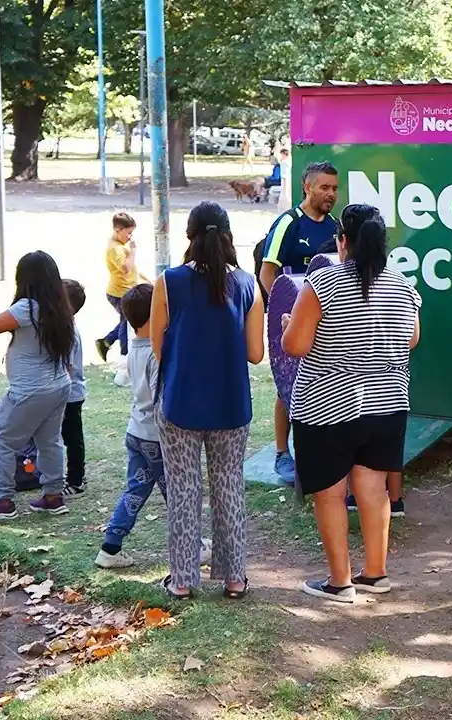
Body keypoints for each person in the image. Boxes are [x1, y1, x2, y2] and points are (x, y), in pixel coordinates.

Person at [282, 204, 422, 603]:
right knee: (373, 490)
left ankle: (339, 581)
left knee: (329, 493)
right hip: (388, 404)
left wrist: (288, 325)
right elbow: (411, 339)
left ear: (343, 241)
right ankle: (375, 573)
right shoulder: (403, 285)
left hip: (327, 406)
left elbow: (295, 345)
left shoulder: (322, 283)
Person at [151, 202, 264, 600]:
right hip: (231, 404)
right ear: (229, 235)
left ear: (189, 236)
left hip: (180, 402)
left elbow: (158, 346)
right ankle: (235, 578)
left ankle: (182, 580)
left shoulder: (169, 281)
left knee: (183, 489)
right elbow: (255, 353)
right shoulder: (248, 283)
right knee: (228, 485)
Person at [94, 283, 213, 569]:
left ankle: (110, 548)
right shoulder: (156, 352)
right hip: (157, 437)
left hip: (136, 432)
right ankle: (194, 547)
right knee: (178, 493)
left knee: (135, 490)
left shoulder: (135, 348)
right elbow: (164, 397)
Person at [0, 251, 76, 520]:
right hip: (58, 384)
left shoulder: (26, 308)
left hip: (30, 390)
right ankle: (53, 495)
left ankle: (1, 499)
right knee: (50, 441)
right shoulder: (59, 307)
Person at [257, 161, 340, 482]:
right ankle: (282, 453)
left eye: (334, 188)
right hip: (289, 320)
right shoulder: (288, 223)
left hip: (325, 319)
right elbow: (267, 272)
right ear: (307, 187)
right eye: (324, 187)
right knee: (286, 386)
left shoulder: (335, 226)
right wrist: (283, 310)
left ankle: (318, 450)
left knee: (322, 383)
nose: (330, 194)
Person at [97, 212, 144, 385]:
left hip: (126, 290)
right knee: (127, 323)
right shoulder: (115, 249)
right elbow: (125, 268)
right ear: (118, 230)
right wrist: (133, 251)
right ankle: (124, 357)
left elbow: (133, 269)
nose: (130, 237)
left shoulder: (120, 245)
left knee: (127, 322)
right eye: (128, 233)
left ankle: (107, 342)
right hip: (119, 293)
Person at [61, 279, 88, 496]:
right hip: (67, 392)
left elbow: (67, 368)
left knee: (72, 439)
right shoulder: (65, 328)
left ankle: (76, 480)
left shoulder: (68, 331)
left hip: (70, 394)